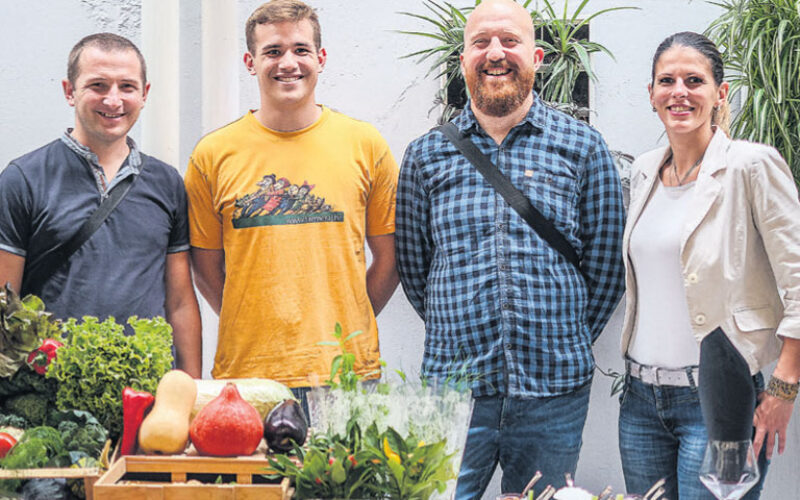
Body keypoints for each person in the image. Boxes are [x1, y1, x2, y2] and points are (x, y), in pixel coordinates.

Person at [395, 0, 625, 497]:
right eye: (480, 43)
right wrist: (458, 327)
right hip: (454, 391)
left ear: (537, 57)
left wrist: (562, 336)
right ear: (463, 60)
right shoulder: (425, 155)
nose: (495, 53)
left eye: (510, 41)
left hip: (554, 391)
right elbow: (415, 270)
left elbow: (608, 267)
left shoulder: (583, 147)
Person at [185, 0, 399, 406]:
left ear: (321, 58)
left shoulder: (365, 145)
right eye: (273, 51)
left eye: (301, 49)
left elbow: (391, 259)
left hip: (345, 375)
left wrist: (349, 316)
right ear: (250, 62)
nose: (288, 63)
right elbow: (205, 267)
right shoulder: (212, 155)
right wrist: (252, 319)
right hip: (248, 377)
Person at [618, 31, 800, 499]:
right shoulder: (643, 171)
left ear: (720, 93)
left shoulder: (751, 166)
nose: (679, 92)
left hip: (720, 404)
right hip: (640, 404)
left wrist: (784, 387)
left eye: (694, 80)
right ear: (652, 94)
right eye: (667, 81)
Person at [0, 33, 202, 377]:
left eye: (127, 86)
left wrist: (191, 388)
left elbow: (180, 302)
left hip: (147, 388)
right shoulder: (23, 179)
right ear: (69, 91)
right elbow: (5, 307)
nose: (113, 100)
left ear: (144, 93)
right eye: (98, 85)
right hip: (51, 387)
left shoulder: (167, 182)